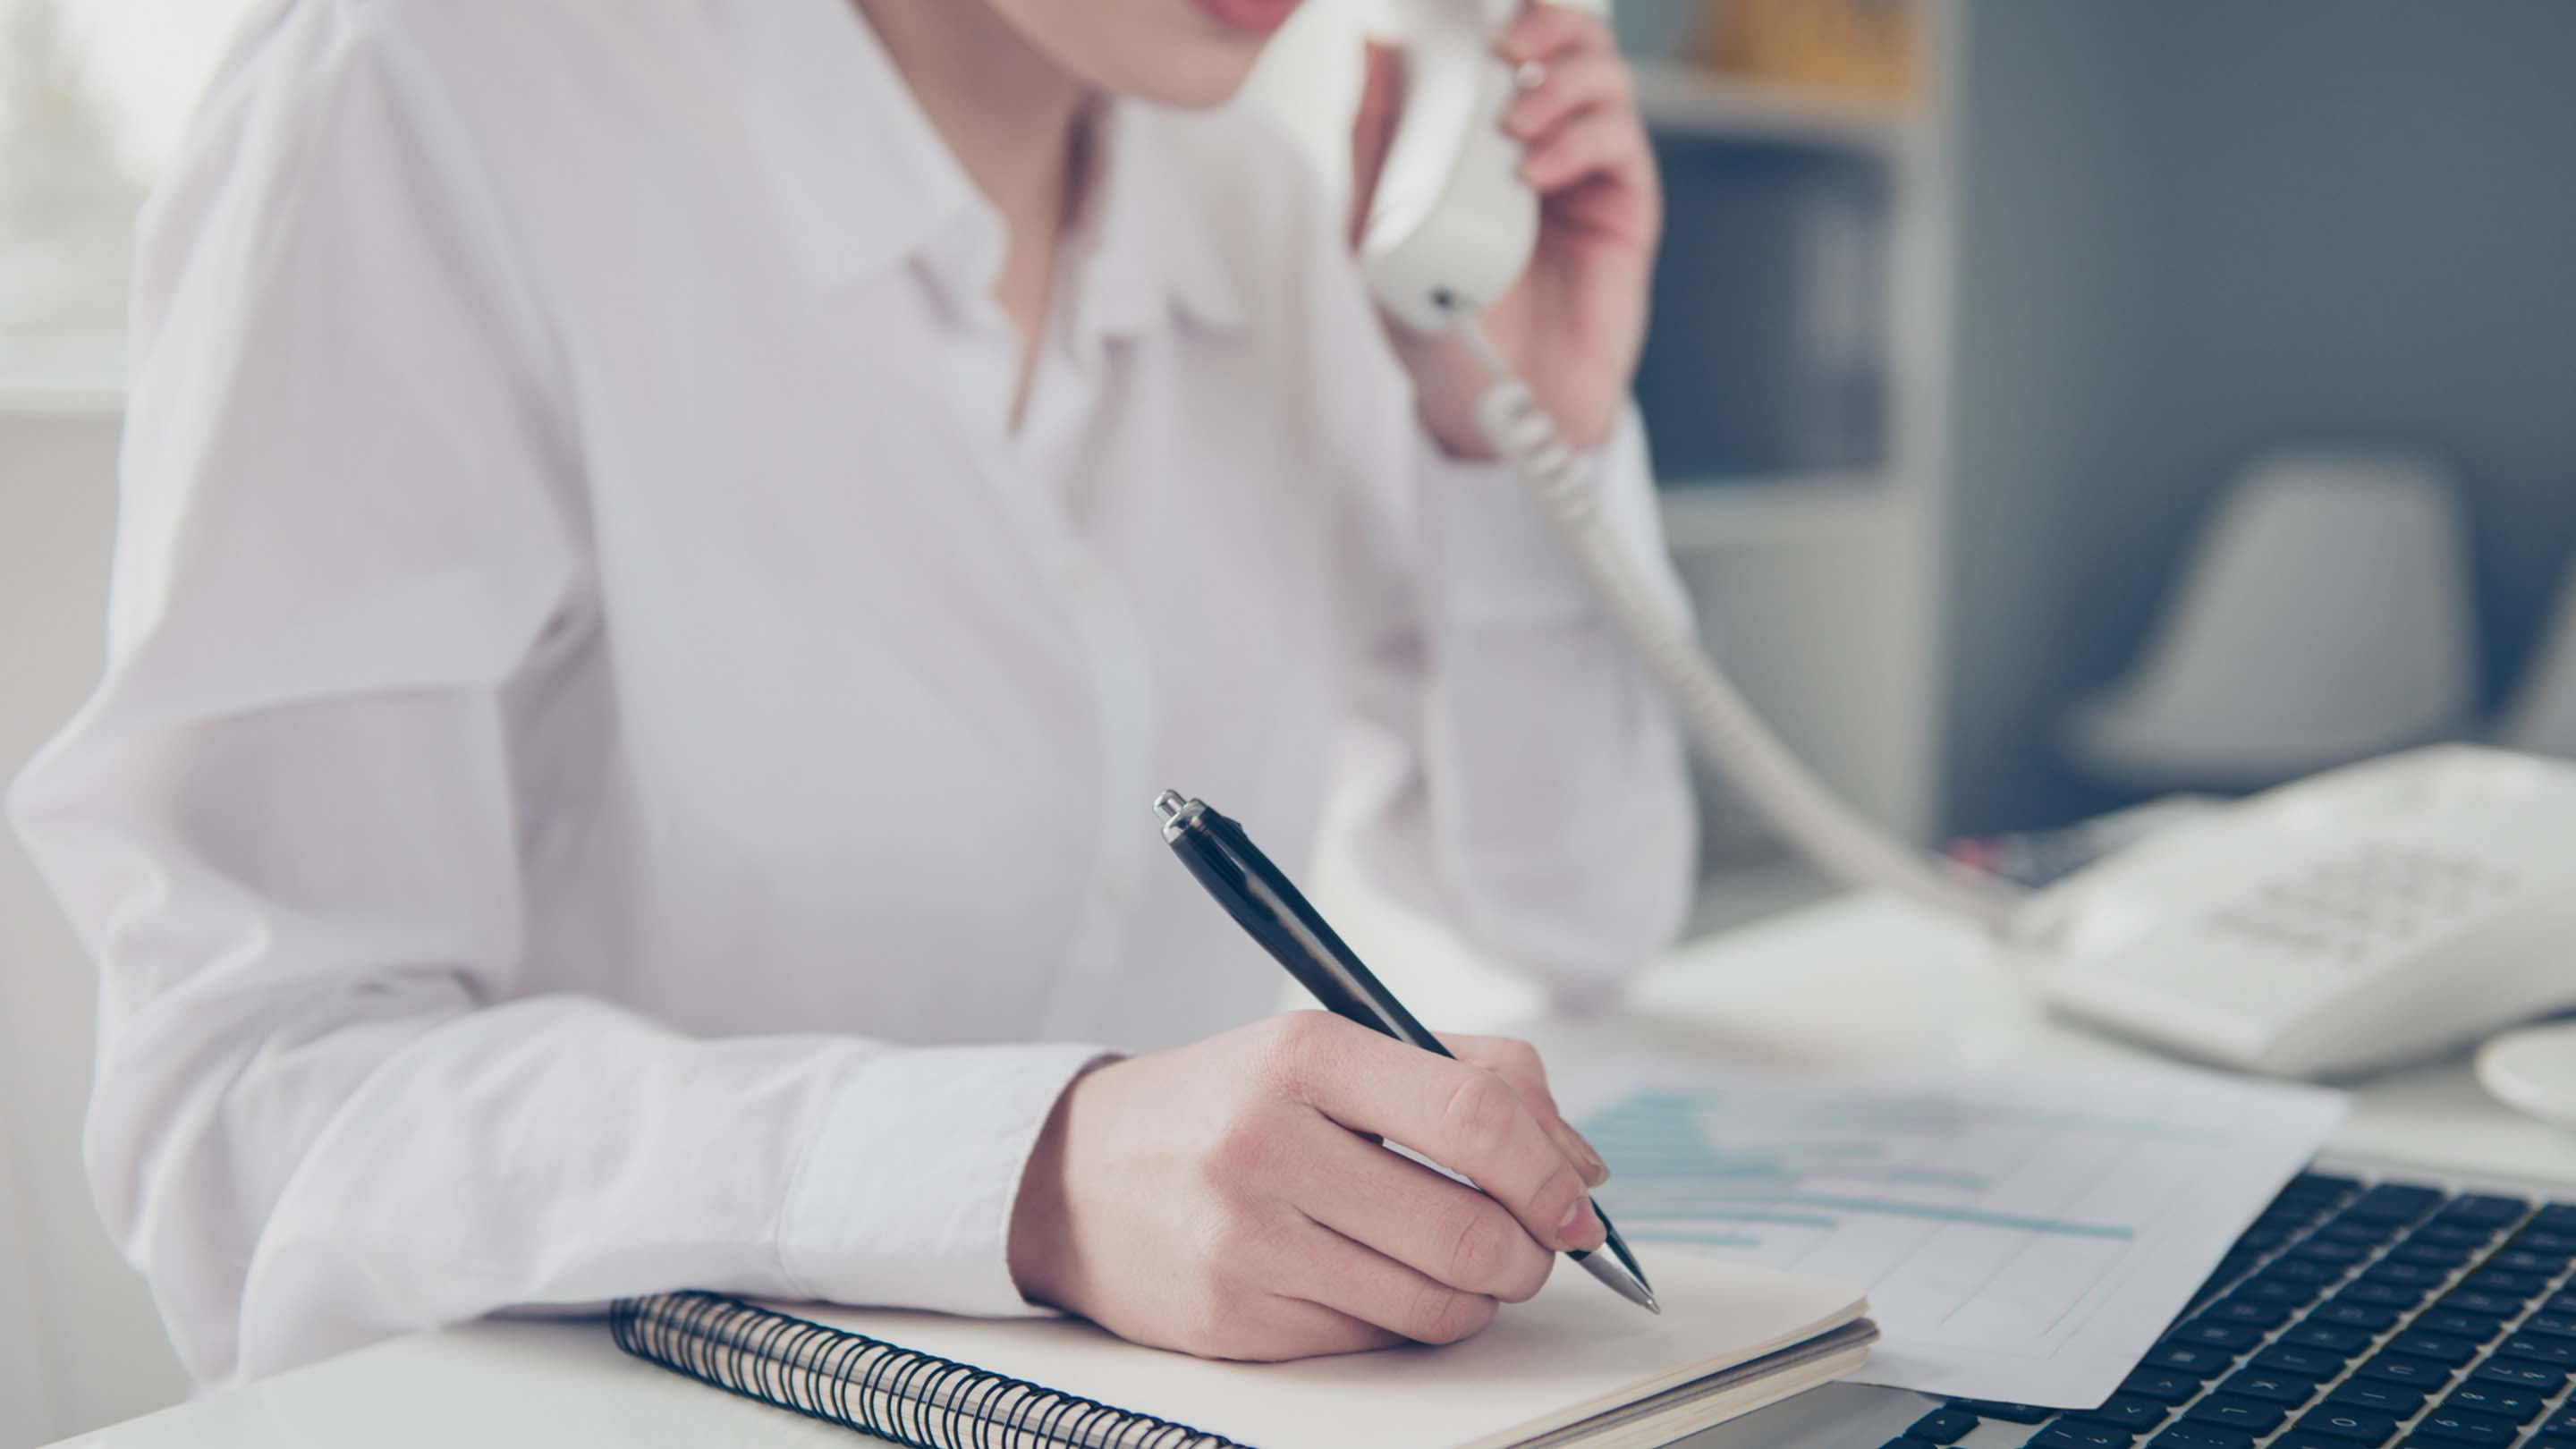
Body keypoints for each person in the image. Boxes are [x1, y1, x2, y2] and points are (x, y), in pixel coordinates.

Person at [7, 0, 1694, 1387]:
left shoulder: (1266, 211)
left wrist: (1516, 431)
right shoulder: (419, 86)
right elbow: (248, 1115)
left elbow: (1583, 910)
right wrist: (1028, 1173)